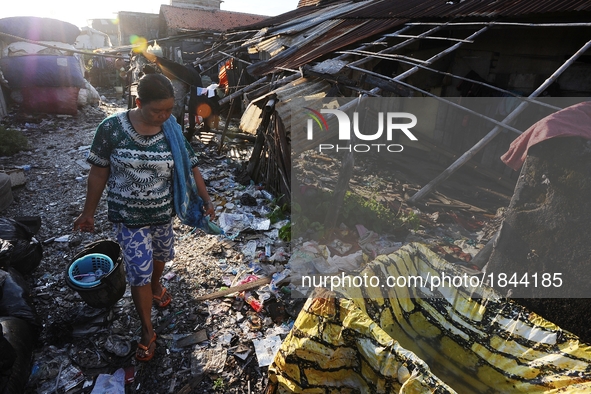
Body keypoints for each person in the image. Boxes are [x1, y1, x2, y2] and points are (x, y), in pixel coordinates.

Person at [74, 73, 215, 362]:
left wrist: (206, 199)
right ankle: (147, 330)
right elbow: (99, 171)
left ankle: (156, 285)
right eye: (156, 110)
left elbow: (192, 166)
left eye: (169, 110)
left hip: (163, 214)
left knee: (162, 256)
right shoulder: (112, 129)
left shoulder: (171, 129)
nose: (164, 116)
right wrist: (87, 212)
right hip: (128, 217)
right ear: (139, 102)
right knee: (139, 270)